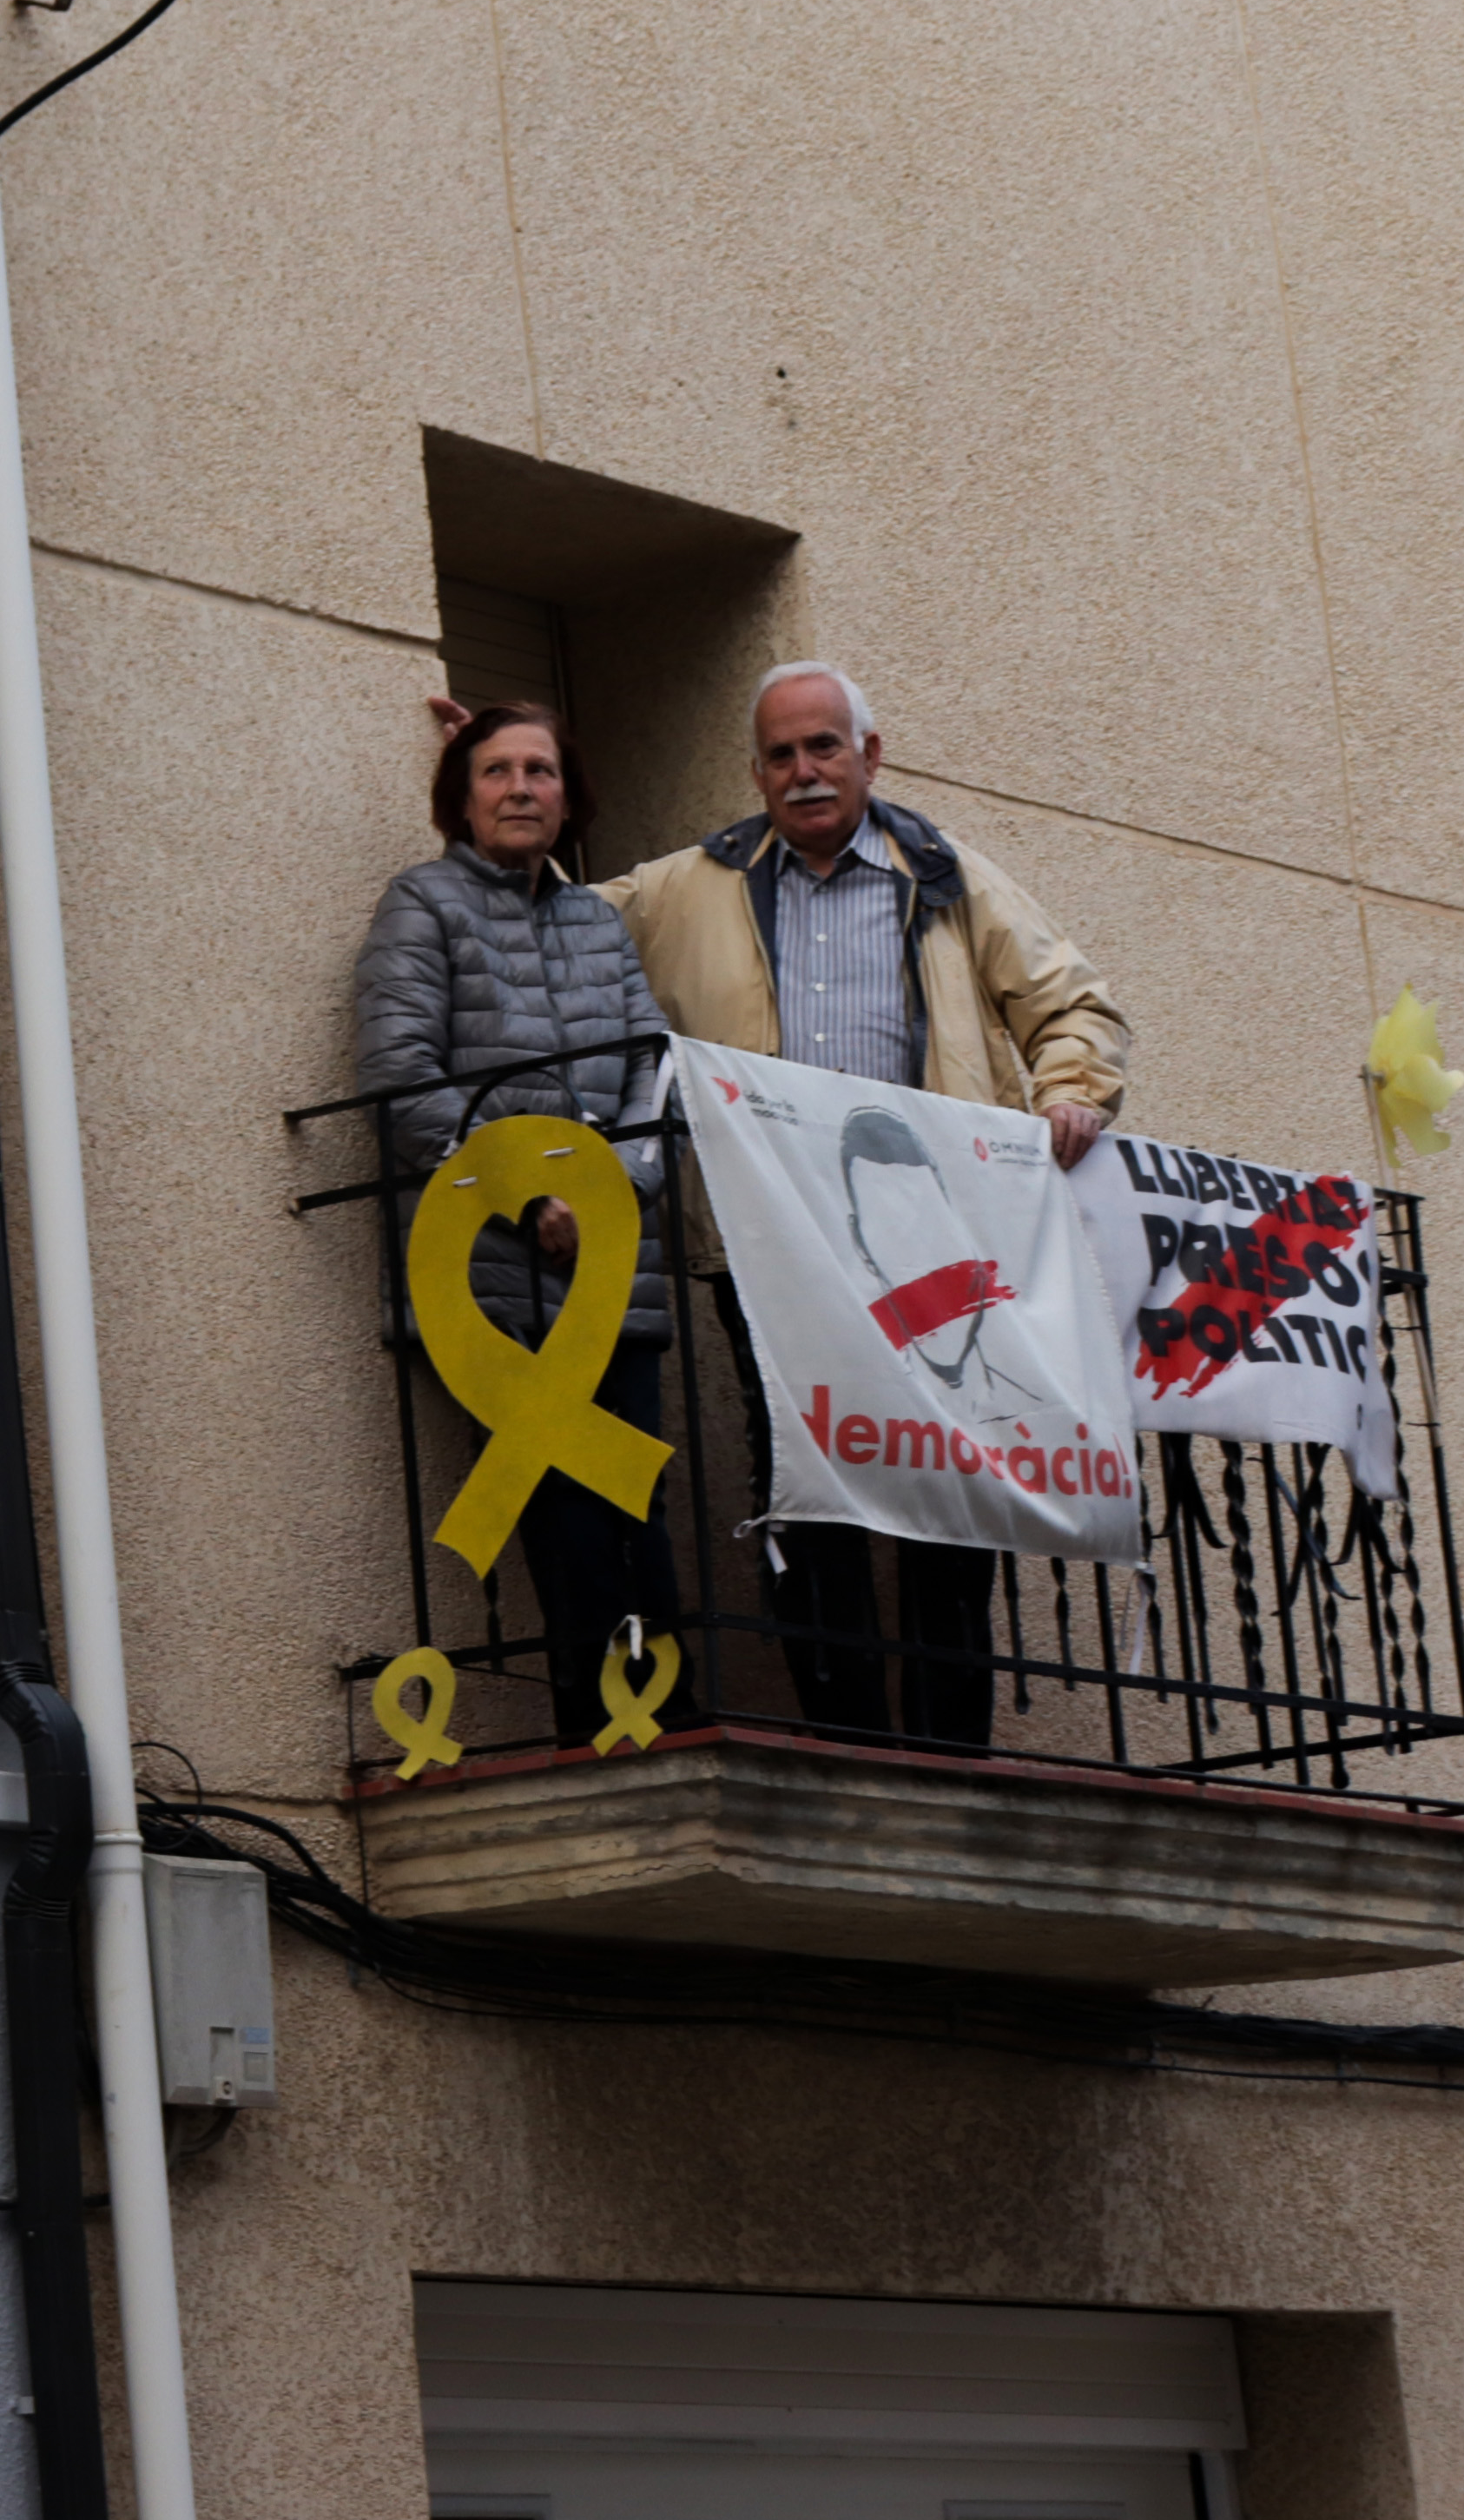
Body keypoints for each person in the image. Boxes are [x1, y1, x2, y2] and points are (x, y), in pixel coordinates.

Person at [590, 659, 1130, 1748]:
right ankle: (843, 1733)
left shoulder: (946, 878)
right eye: (781, 754)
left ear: (870, 755)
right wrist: (493, 780)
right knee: (804, 1469)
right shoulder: (692, 885)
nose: (803, 772)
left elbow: (1071, 1002)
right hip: (769, 1232)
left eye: (824, 747)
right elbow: (552, 925)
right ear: (756, 770)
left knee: (948, 1470)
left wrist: (1069, 1091)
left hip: (928, 1229)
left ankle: (946, 1743)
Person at [351, 700, 700, 1752]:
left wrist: (617, 1192)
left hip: (611, 1272)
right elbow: (402, 1083)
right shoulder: (423, 906)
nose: (519, 788)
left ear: (567, 792)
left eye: (539, 770)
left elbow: (653, 1070)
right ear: (461, 797)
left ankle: (665, 1723)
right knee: (565, 1517)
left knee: (637, 1503)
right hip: (496, 1279)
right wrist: (527, 1199)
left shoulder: (596, 919)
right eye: (496, 770)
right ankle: (603, 1732)